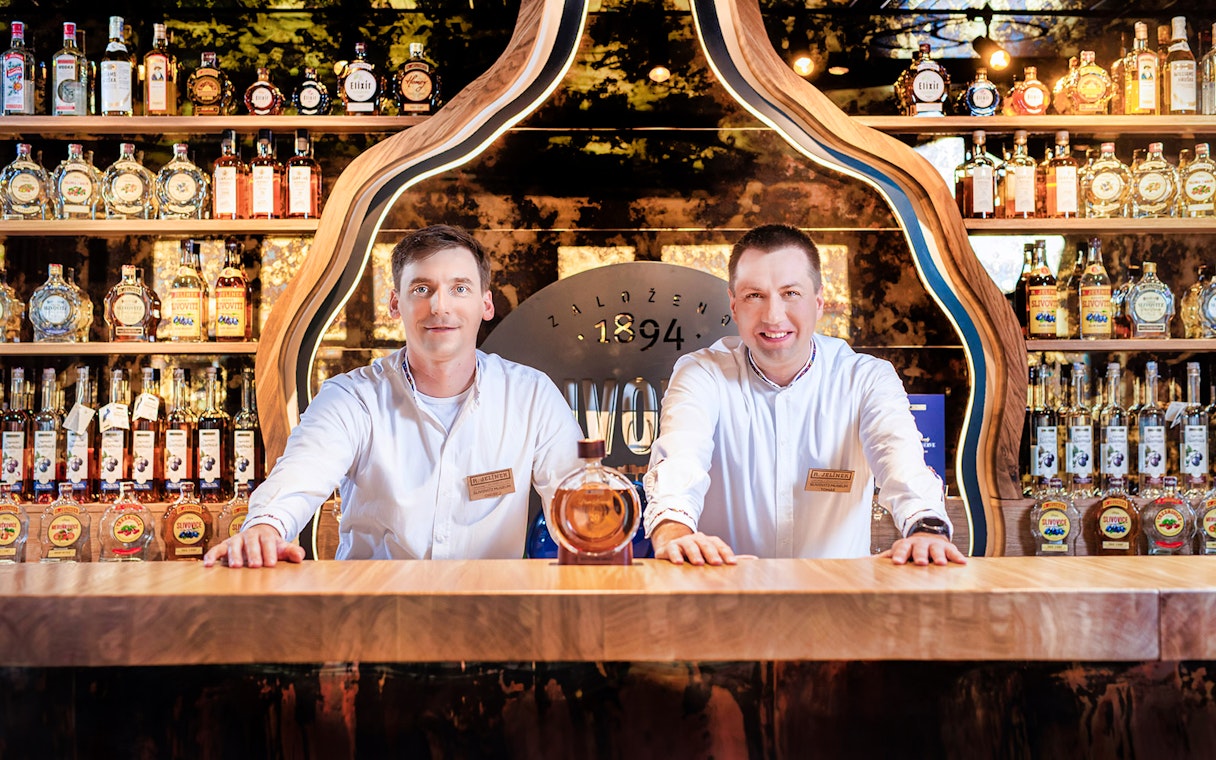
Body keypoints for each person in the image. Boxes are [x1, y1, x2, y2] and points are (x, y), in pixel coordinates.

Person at [203, 224, 583, 567]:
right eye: (422, 289)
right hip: (372, 618)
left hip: (491, 618)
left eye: (459, 288)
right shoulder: (352, 398)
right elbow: (299, 477)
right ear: (395, 304)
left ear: (485, 304)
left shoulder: (531, 395)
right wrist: (265, 527)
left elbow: (578, 495)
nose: (440, 306)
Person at [642, 224, 966, 567]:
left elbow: (900, 459)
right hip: (723, 597)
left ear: (819, 303)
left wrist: (926, 527)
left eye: (790, 293)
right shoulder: (701, 374)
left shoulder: (866, 378)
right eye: (755, 295)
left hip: (839, 603)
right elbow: (680, 459)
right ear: (734, 307)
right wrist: (672, 529)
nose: (773, 315)